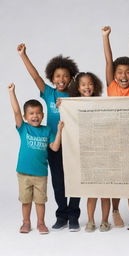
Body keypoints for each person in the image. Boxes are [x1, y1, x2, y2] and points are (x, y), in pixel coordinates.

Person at [17, 43, 81, 231]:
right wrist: (23, 55)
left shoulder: (76, 94)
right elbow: (35, 75)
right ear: (52, 77)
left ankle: (74, 215)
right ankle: (62, 215)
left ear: (71, 78)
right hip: (53, 143)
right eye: (58, 76)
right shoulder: (49, 93)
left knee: (75, 179)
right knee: (58, 181)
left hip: (73, 143)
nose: (61, 79)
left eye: (65, 75)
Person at [8, 83, 63, 234]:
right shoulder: (24, 128)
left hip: (40, 174)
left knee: (40, 201)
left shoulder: (47, 130)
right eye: (31, 113)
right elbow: (16, 111)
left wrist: (58, 131)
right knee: (25, 201)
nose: (35, 116)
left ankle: (40, 223)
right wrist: (12, 92)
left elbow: (55, 147)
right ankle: (26, 222)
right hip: (24, 173)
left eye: (38, 113)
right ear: (26, 117)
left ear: (43, 115)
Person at [102, 25, 129, 230]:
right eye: (120, 72)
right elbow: (109, 61)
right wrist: (105, 37)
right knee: (115, 176)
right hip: (112, 137)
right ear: (115, 75)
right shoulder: (111, 86)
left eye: (128, 72)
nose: (124, 75)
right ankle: (115, 211)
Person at [67, 72, 111, 232]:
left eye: (90, 83)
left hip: (104, 152)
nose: (87, 87)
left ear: (95, 85)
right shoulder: (73, 104)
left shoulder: (101, 102)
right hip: (88, 154)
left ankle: (105, 221)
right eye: (83, 84)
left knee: (106, 192)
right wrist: (62, 104)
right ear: (78, 88)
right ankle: (91, 220)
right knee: (92, 192)